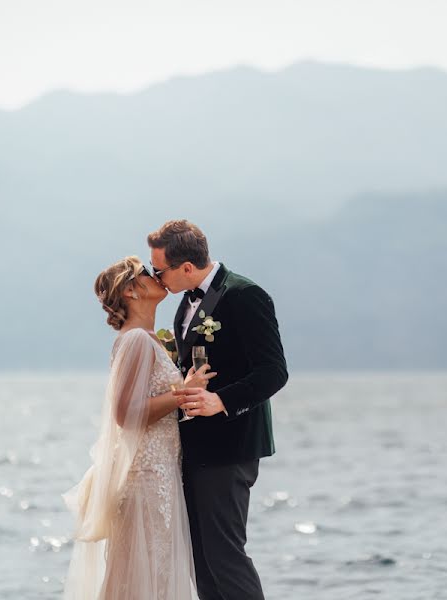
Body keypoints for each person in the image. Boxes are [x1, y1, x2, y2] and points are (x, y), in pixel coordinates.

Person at [148, 220, 288, 600]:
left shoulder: (245, 295)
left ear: (187, 268)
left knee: (225, 554)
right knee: (200, 557)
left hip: (232, 446)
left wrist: (222, 400)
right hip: (193, 445)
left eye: (160, 270)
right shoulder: (183, 305)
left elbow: (274, 372)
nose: (156, 278)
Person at [62, 256, 215, 599]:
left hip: (161, 473)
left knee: (155, 576)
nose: (157, 273)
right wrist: (182, 393)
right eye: (147, 272)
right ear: (131, 290)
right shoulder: (136, 342)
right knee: (145, 576)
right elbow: (124, 413)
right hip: (146, 478)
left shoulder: (149, 339)